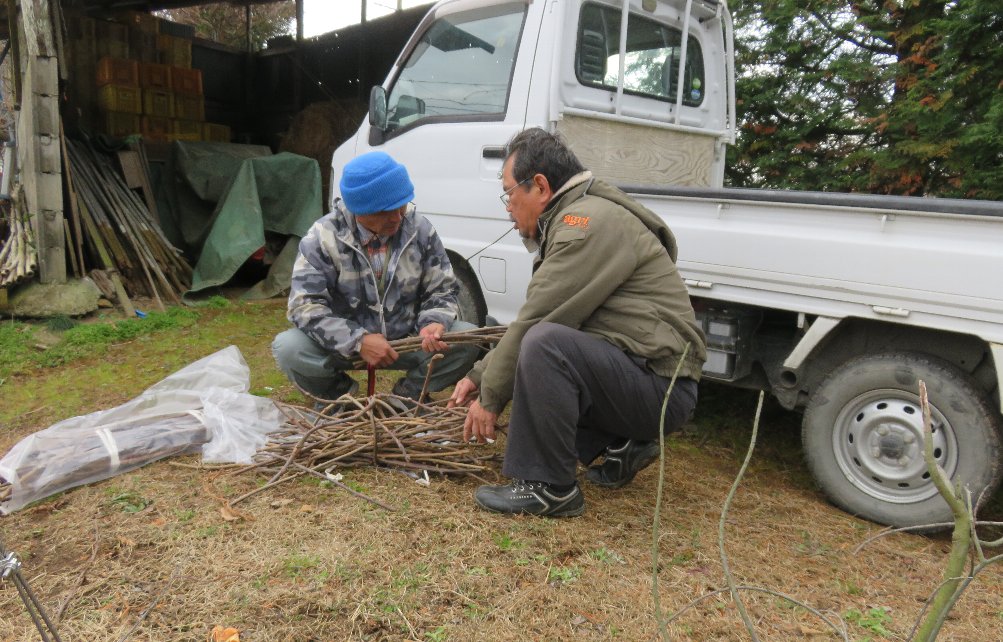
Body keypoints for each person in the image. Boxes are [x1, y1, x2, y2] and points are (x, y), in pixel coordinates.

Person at [448, 128, 707, 516]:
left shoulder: (585, 224)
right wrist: (478, 375)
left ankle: (549, 486)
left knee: (545, 344)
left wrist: (489, 396)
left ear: (540, 186)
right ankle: (618, 444)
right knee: (556, 343)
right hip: (647, 377)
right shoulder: (586, 214)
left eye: (509, 192)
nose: (507, 206)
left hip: (659, 387)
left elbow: (539, 317)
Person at [272, 151, 479, 406]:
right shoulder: (323, 238)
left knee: (468, 338)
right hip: (344, 346)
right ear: (359, 210)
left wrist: (434, 322)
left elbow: (442, 289)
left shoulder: (419, 230)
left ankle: (407, 397)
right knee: (289, 347)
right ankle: (339, 400)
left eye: (401, 205)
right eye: (384, 211)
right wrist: (358, 340)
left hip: (409, 339)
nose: (397, 217)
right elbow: (304, 307)